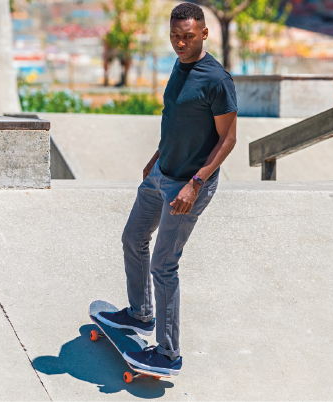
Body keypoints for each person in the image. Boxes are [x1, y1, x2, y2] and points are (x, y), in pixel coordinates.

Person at [96, 2, 238, 376]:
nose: (180, 43)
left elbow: (228, 140)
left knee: (164, 264)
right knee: (133, 238)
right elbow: (176, 118)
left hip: (189, 184)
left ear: (204, 34)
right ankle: (141, 313)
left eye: (188, 37)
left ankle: (169, 353)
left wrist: (195, 184)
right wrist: (157, 157)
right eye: (175, 36)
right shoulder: (179, 65)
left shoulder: (217, 80)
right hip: (161, 172)